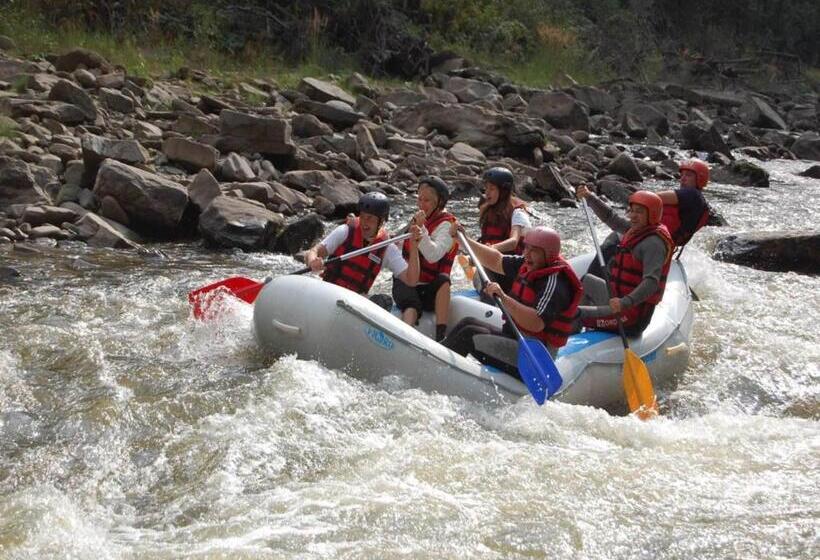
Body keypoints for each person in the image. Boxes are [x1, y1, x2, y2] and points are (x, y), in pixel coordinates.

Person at [443, 225, 582, 378]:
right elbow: (496, 260)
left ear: (548, 254)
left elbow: (536, 323)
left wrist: (503, 297)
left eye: (533, 250)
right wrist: (465, 241)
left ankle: (440, 372)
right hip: (515, 340)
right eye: (526, 248)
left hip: (532, 359)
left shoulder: (555, 284)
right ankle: (439, 356)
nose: (527, 254)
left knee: (469, 334)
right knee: (467, 323)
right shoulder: (529, 264)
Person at [574, 188, 674, 336]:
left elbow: (652, 283)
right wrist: (590, 197)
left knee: (575, 314)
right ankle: (586, 328)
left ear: (652, 214)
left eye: (639, 212)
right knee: (587, 281)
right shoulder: (635, 230)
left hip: (630, 316)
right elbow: (611, 218)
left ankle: (573, 338)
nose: (633, 215)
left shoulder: (654, 244)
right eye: (632, 210)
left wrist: (624, 302)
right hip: (616, 300)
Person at [305, 192, 421, 298]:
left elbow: (411, 280)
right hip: (329, 292)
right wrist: (313, 261)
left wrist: (414, 246)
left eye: (370, 218)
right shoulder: (345, 232)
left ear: (380, 222)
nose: (365, 222)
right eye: (363, 216)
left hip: (355, 301)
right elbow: (313, 252)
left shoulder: (387, 248)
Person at [393, 176, 457, 342]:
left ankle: (441, 337)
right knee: (411, 304)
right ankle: (405, 336)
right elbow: (395, 242)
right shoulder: (417, 220)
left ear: (440, 202)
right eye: (419, 199)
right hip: (407, 282)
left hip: (429, 289)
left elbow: (433, 255)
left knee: (444, 280)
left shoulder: (447, 226)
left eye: (427, 200)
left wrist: (421, 229)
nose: (422, 204)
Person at [659, 158, 711, 248]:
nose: (682, 179)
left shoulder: (692, 194)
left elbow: (653, 198)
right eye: (682, 175)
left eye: (688, 175)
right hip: (665, 242)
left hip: (657, 240)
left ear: (700, 178)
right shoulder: (699, 199)